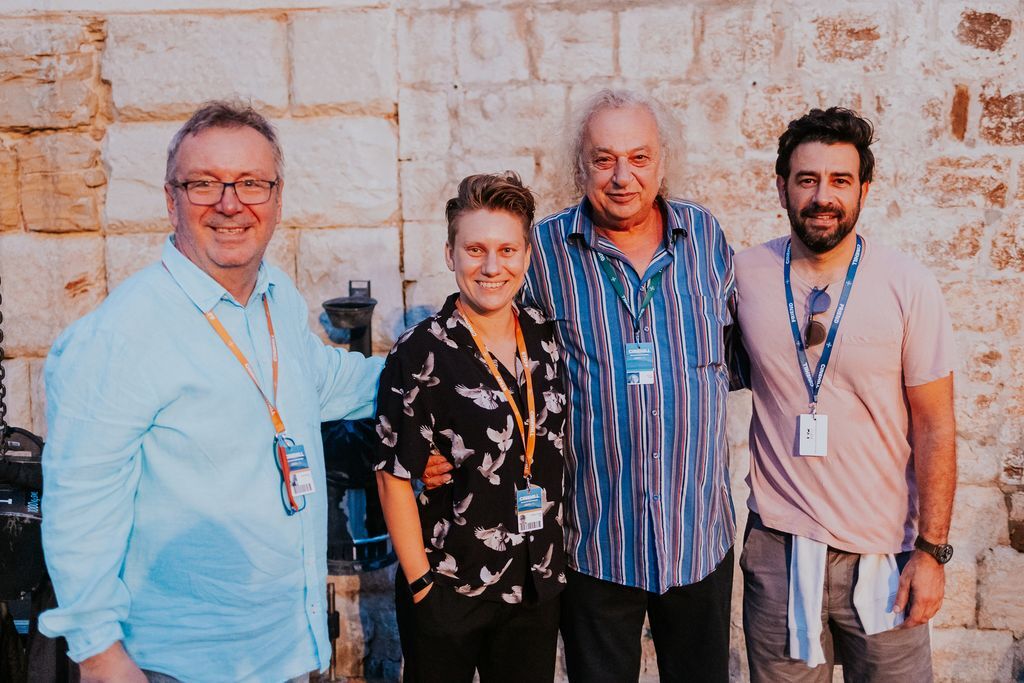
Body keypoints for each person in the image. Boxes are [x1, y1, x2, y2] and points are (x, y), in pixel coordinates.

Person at [39, 101, 384, 683]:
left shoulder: (275, 296)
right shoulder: (121, 334)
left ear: (277, 198)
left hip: (289, 652)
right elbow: (79, 504)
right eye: (203, 184)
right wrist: (100, 655)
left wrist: (443, 366)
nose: (230, 203)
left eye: (251, 183)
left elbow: (329, 380)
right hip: (180, 664)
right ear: (170, 199)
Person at [424, 89, 737, 681]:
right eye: (604, 159)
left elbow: (737, 352)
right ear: (580, 166)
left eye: (639, 158)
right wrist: (433, 436)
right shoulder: (544, 250)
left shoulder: (705, 237)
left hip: (697, 534)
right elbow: (483, 341)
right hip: (597, 540)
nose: (622, 176)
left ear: (662, 162)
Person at [734, 107, 956, 681]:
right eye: (807, 179)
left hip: (886, 555)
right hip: (780, 550)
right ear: (781, 186)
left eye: (840, 180)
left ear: (864, 189)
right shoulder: (743, 275)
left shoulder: (908, 285)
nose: (822, 197)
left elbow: (935, 424)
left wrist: (932, 552)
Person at [374, 172, 566, 682]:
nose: (492, 267)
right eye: (475, 249)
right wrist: (421, 585)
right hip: (449, 585)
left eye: (507, 250)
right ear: (450, 254)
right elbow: (393, 475)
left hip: (534, 584)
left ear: (527, 256)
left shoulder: (546, 337)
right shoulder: (420, 351)